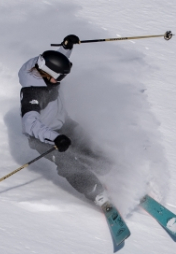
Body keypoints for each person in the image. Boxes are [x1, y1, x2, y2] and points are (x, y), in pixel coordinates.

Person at [18, 35, 110, 207]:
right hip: (43, 137)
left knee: (88, 146)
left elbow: (56, 62)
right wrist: (54, 138)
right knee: (67, 162)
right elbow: (29, 124)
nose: (60, 81)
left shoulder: (44, 67)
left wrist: (66, 48)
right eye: (58, 77)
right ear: (47, 75)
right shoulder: (32, 93)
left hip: (64, 124)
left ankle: (110, 173)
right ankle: (96, 193)